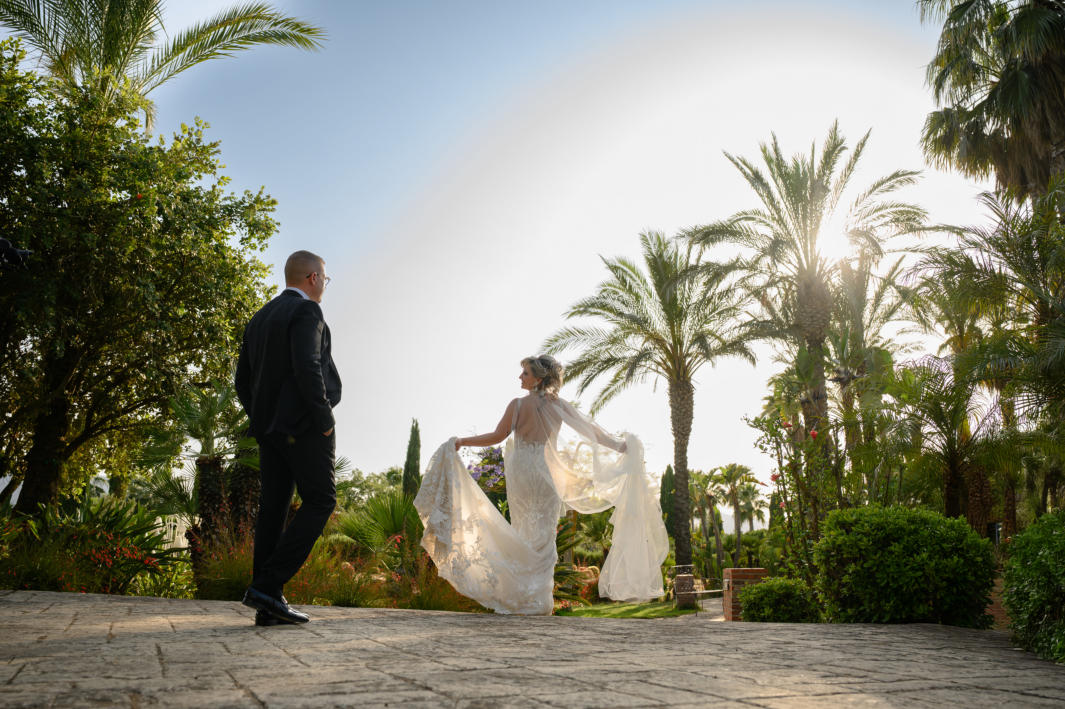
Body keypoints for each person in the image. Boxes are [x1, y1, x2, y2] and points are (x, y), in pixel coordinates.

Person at [414, 355, 667, 615]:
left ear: (538, 378)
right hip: (546, 473)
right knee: (544, 534)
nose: (520, 377)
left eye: (524, 373)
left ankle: (521, 599)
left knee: (524, 531)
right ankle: (541, 603)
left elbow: (497, 436)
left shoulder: (517, 405)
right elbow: (591, 432)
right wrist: (621, 447)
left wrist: (463, 441)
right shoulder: (559, 405)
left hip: (523, 472)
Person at [235, 250, 341, 625]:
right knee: (321, 501)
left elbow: (241, 382)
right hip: (305, 427)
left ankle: (268, 604)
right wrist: (324, 419)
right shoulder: (307, 312)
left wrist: (262, 418)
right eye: (325, 279)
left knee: (274, 509)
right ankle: (267, 584)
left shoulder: (260, 317)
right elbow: (308, 365)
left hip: (269, 431)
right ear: (313, 278)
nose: (324, 286)